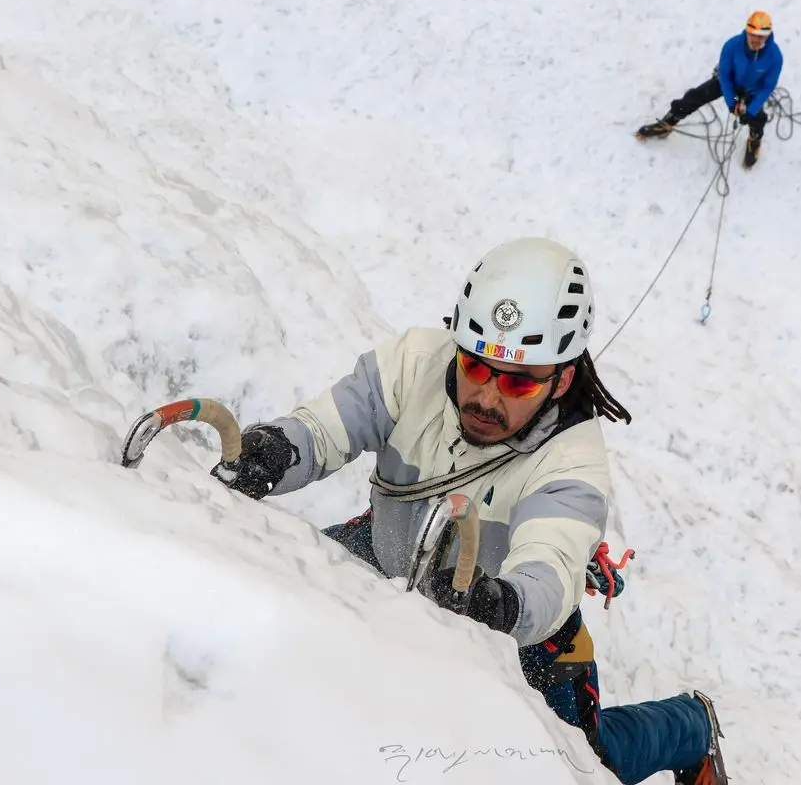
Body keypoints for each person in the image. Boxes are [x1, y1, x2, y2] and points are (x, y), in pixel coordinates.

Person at [211, 237, 727, 785]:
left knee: (581, 765)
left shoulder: (573, 463)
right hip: (388, 552)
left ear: (562, 379)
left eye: (518, 382)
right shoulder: (413, 363)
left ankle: (688, 728)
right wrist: (276, 450)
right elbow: (322, 430)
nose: (486, 397)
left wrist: (498, 604)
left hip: (522, 640)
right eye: (475, 367)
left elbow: (548, 572)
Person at [637, 10, 784, 169]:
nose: (756, 40)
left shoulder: (775, 57)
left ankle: (755, 139)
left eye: (761, 36)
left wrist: (751, 110)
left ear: (768, 36)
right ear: (747, 32)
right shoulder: (732, 46)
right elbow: (724, 76)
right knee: (694, 97)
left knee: (758, 118)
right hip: (729, 83)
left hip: (752, 91)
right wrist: (731, 102)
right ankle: (667, 123)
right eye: (753, 35)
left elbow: (768, 87)